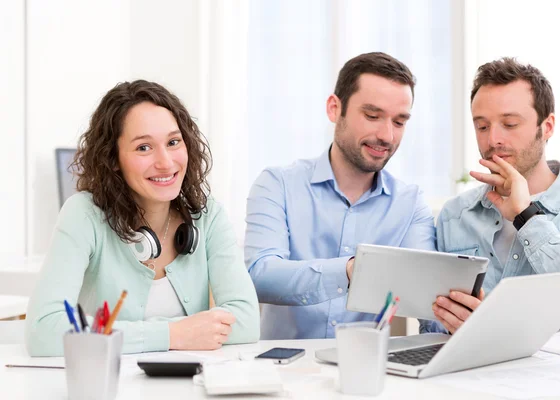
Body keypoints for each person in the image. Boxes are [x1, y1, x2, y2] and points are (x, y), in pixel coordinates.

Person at [26, 80, 260, 356]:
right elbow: (44, 330)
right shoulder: (83, 214)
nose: (165, 162)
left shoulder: (207, 216)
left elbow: (246, 322)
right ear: (113, 158)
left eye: (173, 142)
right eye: (143, 148)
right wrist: (173, 334)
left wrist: (137, 336)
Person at [245, 52, 436, 339]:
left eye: (399, 122)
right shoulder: (277, 185)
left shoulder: (410, 204)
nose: (387, 135)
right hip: (283, 370)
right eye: (372, 116)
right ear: (335, 109)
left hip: (367, 371)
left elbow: (423, 292)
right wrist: (349, 270)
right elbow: (259, 275)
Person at [422, 58, 560, 334]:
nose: (493, 140)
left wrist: (527, 217)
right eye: (482, 126)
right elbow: (430, 325)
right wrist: (451, 323)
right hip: (468, 374)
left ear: (547, 126)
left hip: (559, 377)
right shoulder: (455, 216)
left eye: (510, 124)